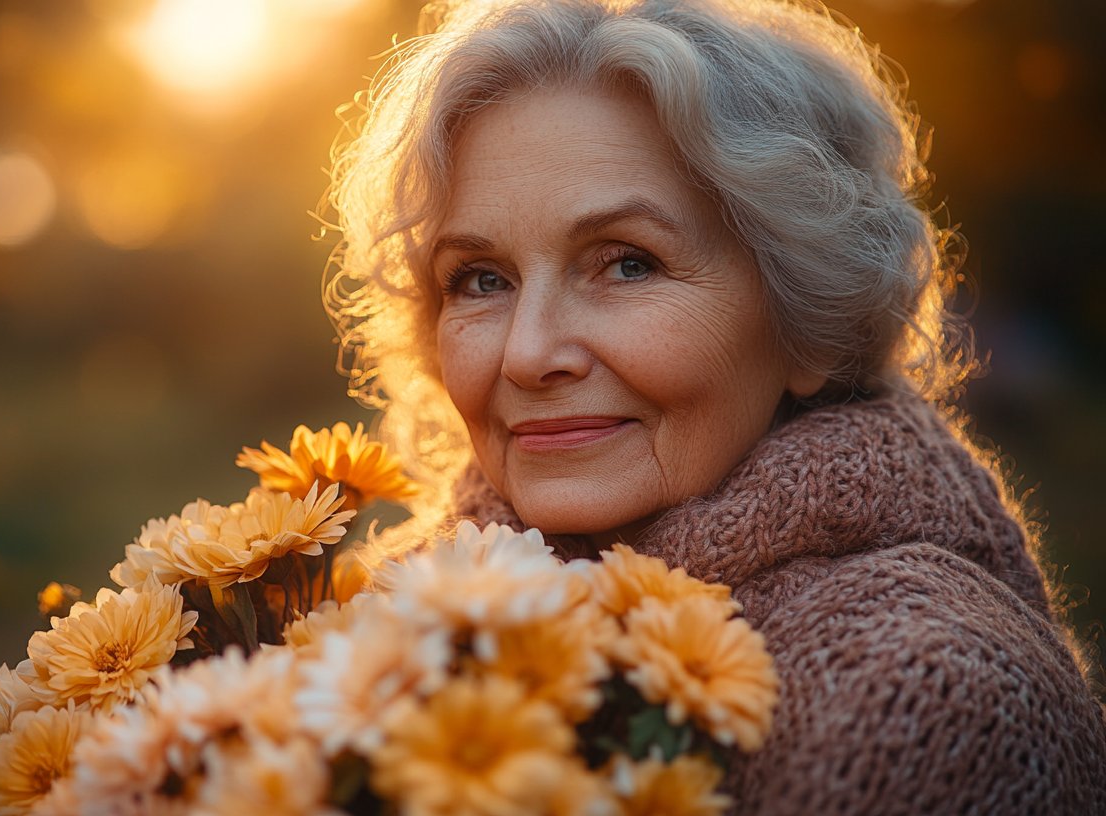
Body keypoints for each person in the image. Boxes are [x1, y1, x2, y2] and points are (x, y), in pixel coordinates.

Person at [322, 0, 1106, 812]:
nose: (527, 353)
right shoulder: (355, 626)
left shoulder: (936, 704)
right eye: (481, 279)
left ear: (808, 323)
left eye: (627, 264)